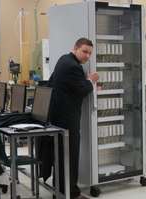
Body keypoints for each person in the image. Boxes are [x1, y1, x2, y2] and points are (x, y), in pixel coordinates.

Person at [49, 38, 99, 199]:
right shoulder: (72, 66)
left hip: (59, 116)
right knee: (70, 154)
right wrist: (91, 81)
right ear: (75, 48)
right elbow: (81, 90)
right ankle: (71, 192)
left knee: (62, 155)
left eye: (90, 53)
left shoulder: (64, 60)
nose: (87, 56)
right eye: (84, 51)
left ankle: (61, 187)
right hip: (67, 118)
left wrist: (85, 82)